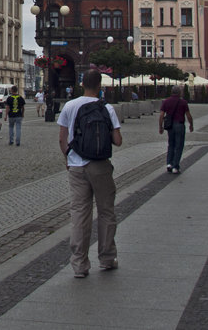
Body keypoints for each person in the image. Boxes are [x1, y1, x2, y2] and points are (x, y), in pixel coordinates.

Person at [57, 69, 123, 278]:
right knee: (106, 212)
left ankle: (79, 264)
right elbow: (118, 140)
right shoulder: (107, 108)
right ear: (99, 86)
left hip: (76, 166)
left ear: (81, 84)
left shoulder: (70, 105)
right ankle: (106, 258)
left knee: (79, 214)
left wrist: (69, 157)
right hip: (100, 166)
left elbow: (62, 139)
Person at [158, 85, 194, 174]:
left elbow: (161, 115)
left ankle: (169, 163)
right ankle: (175, 166)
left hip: (170, 126)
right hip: (180, 125)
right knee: (179, 146)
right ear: (179, 93)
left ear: (171, 92)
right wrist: (191, 125)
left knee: (171, 144)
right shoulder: (183, 102)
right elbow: (188, 115)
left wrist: (160, 127)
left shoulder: (166, 102)